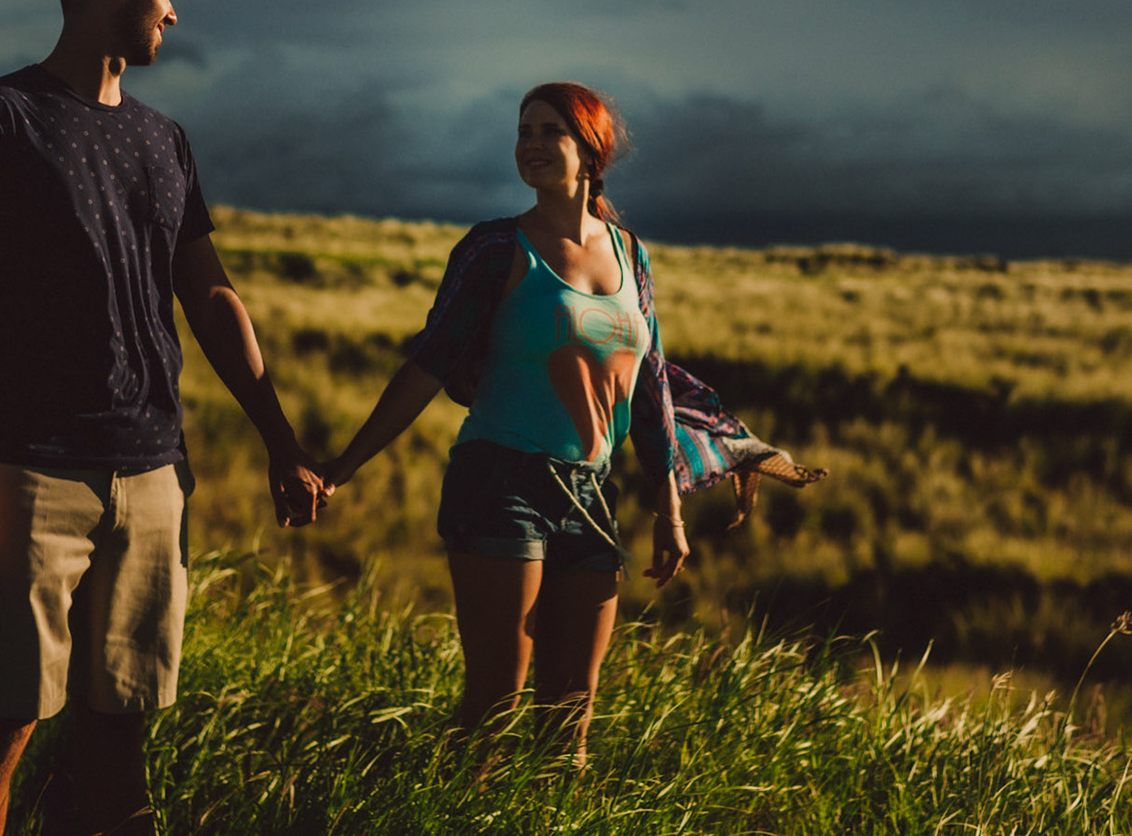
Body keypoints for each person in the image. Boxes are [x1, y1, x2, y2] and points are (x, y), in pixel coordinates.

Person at [0, 0, 329, 836]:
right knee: (4, 722)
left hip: (153, 474)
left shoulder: (162, 139)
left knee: (122, 727)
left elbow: (213, 297)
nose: (173, 8)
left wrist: (280, 437)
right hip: (28, 471)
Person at [324, 82, 823, 765]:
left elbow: (651, 388)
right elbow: (428, 364)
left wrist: (668, 506)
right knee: (494, 710)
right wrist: (341, 466)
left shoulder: (630, 253)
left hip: (591, 493)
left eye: (547, 131)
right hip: (499, 480)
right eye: (522, 130)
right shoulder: (496, 248)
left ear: (591, 151)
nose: (529, 144)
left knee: (570, 727)